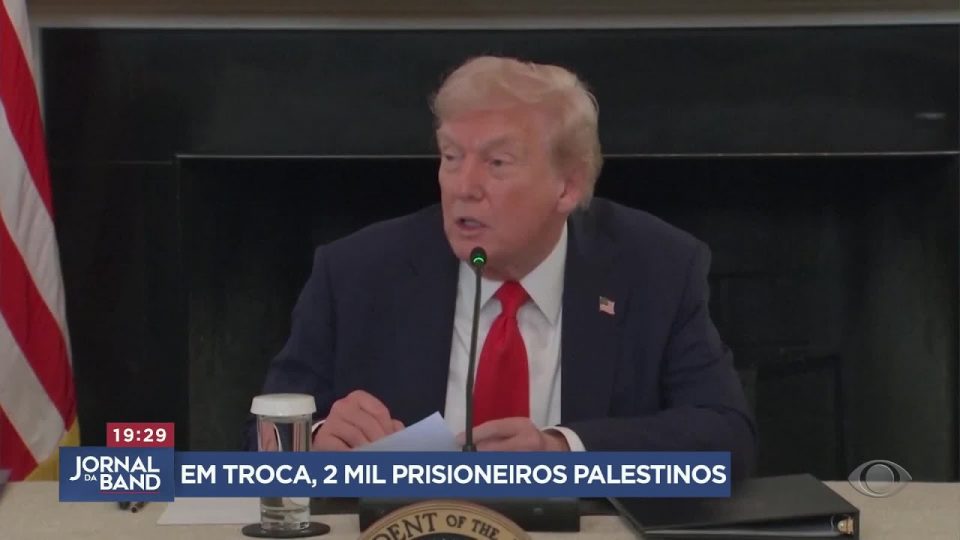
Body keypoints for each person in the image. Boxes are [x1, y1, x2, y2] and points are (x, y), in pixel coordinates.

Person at [248, 56, 756, 477]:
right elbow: (260, 438)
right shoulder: (357, 271)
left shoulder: (656, 266)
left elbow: (726, 440)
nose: (463, 186)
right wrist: (315, 441)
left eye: (496, 163)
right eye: (451, 156)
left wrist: (563, 454)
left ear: (568, 186)